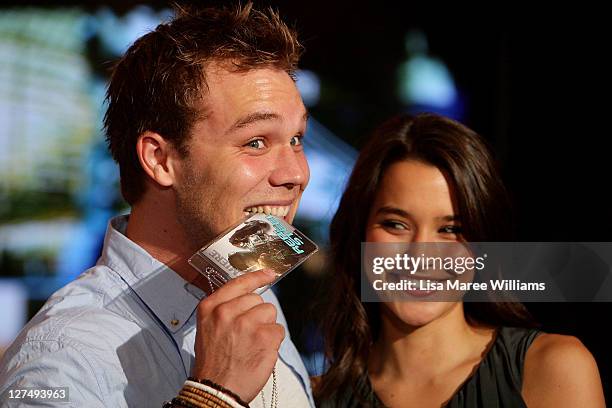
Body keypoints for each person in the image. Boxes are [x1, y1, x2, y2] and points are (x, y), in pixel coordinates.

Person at [0, 3, 314, 407]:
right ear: (160, 159)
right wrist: (215, 395)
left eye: (296, 139)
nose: (296, 173)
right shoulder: (62, 358)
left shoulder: (252, 285)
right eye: (256, 142)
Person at [315, 113, 606, 407]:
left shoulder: (553, 369)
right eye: (395, 224)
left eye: (451, 230)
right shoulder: (316, 397)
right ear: (359, 233)